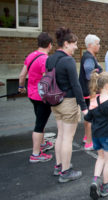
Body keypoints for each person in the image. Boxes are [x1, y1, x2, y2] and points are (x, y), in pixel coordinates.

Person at [47, 27, 88, 183]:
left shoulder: (50, 59)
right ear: (66, 44)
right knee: (67, 138)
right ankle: (66, 171)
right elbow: (76, 85)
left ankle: (59, 166)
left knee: (60, 135)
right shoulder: (68, 60)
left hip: (55, 102)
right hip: (68, 102)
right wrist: (83, 107)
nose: (76, 47)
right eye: (74, 44)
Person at [18, 32, 54, 163]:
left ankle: (42, 143)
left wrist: (21, 87)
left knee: (40, 120)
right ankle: (35, 153)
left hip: (32, 94)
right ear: (49, 45)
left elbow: (22, 76)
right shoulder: (45, 59)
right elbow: (47, 80)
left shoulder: (31, 56)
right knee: (39, 124)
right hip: (42, 97)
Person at [85, 71, 108, 199]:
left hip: (96, 136)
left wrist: (90, 108)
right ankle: (106, 186)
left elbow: (88, 117)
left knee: (100, 158)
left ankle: (95, 181)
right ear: (106, 86)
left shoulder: (95, 100)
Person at [79, 34, 103, 150]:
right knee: (91, 117)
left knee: (88, 116)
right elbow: (89, 75)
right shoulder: (88, 57)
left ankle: (86, 137)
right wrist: (99, 76)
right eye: (97, 43)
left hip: (88, 91)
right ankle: (89, 142)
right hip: (90, 92)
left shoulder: (90, 56)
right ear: (90, 45)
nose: (99, 46)